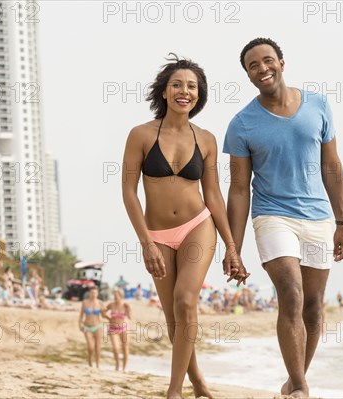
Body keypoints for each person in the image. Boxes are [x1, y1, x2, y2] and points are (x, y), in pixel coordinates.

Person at [224, 37, 343, 398]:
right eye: (253, 65)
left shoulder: (318, 105)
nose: (262, 69)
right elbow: (238, 188)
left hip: (318, 218)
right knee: (291, 296)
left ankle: (295, 379)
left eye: (267, 61)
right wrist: (233, 247)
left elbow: (332, 165)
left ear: (281, 62)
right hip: (272, 216)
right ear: (248, 75)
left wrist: (342, 222)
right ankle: (300, 388)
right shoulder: (242, 124)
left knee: (313, 307)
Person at [122, 54, 249, 399]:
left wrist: (232, 247)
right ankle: (198, 383)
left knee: (185, 301)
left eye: (191, 86)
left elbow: (214, 196)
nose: (184, 91)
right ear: (164, 92)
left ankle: (173, 391)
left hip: (198, 224)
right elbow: (129, 194)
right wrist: (146, 242)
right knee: (172, 315)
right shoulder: (140, 135)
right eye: (177, 84)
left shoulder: (205, 139)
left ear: (199, 94)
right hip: (157, 233)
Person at [78, 285, 106, 368]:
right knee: (90, 347)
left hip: (98, 326)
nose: (94, 294)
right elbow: (81, 315)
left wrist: (108, 315)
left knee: (98, 347)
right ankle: (90, 360)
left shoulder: (100, 303)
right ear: (89, 293)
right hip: (87, 327)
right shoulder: (85, 302)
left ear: (97, 293)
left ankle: (97, 365)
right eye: (92, 292)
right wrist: (80, 325)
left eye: (95, 292)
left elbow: (104, 315)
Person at [106, 289, 132, 371]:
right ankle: (117, 364)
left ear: (121, 296)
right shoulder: (111, 305)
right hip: (112, 329)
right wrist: (108, 318)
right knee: (115, 348)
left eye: (116, 297)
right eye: (114, 297)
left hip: (123, 328)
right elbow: (103, 312)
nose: (115, 298)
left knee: (125, 348)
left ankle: (124, 368)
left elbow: (130, 317)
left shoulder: (125, 305)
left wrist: (129, 308)